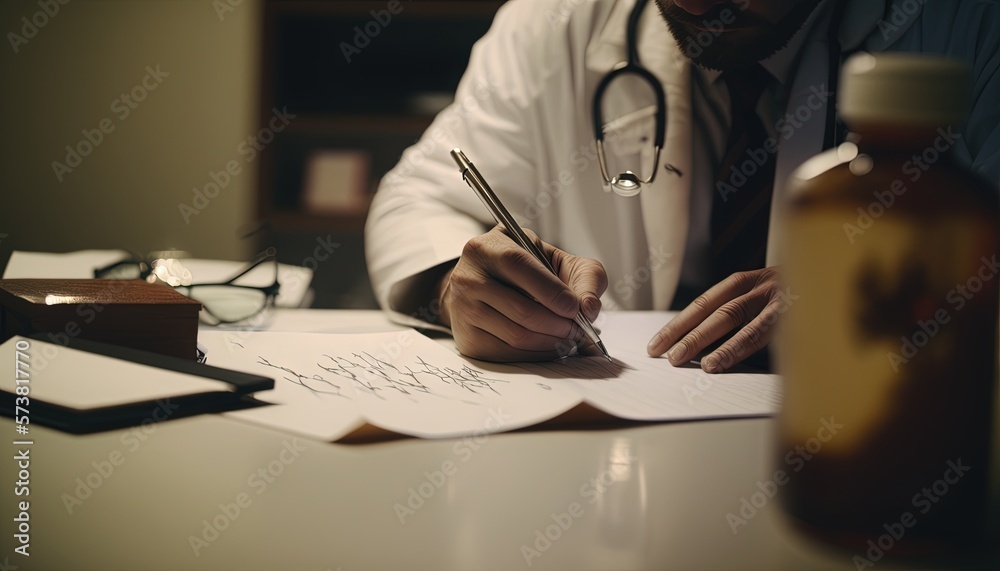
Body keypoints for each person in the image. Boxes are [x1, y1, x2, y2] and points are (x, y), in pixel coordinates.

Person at [365, 0, 1000, 371]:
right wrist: (458, 286)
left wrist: (882, 290)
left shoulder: (967, 25)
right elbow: (419, 199)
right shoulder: (557, 18)